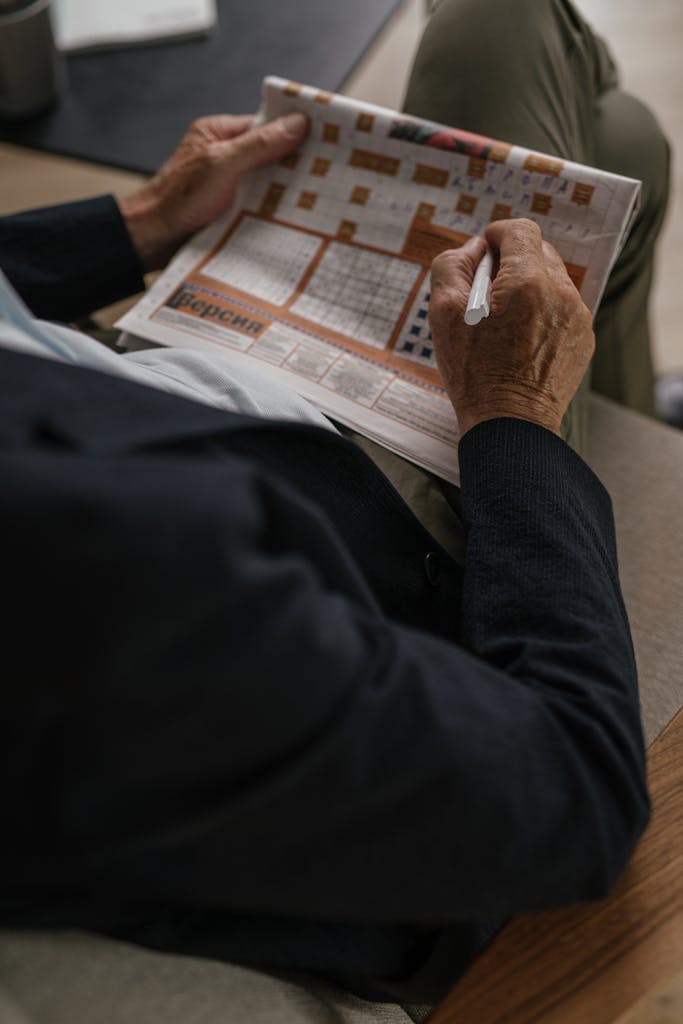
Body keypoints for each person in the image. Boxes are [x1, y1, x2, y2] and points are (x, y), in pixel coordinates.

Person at [0, 0, 669, 1010]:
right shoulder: (109, 579)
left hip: (173, 387)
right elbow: (570, 793)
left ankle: (614, 394)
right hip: (390, 536)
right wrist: (515, 417)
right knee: (512, 32)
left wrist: (137, 223)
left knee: (617, 148)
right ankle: (600, 405)